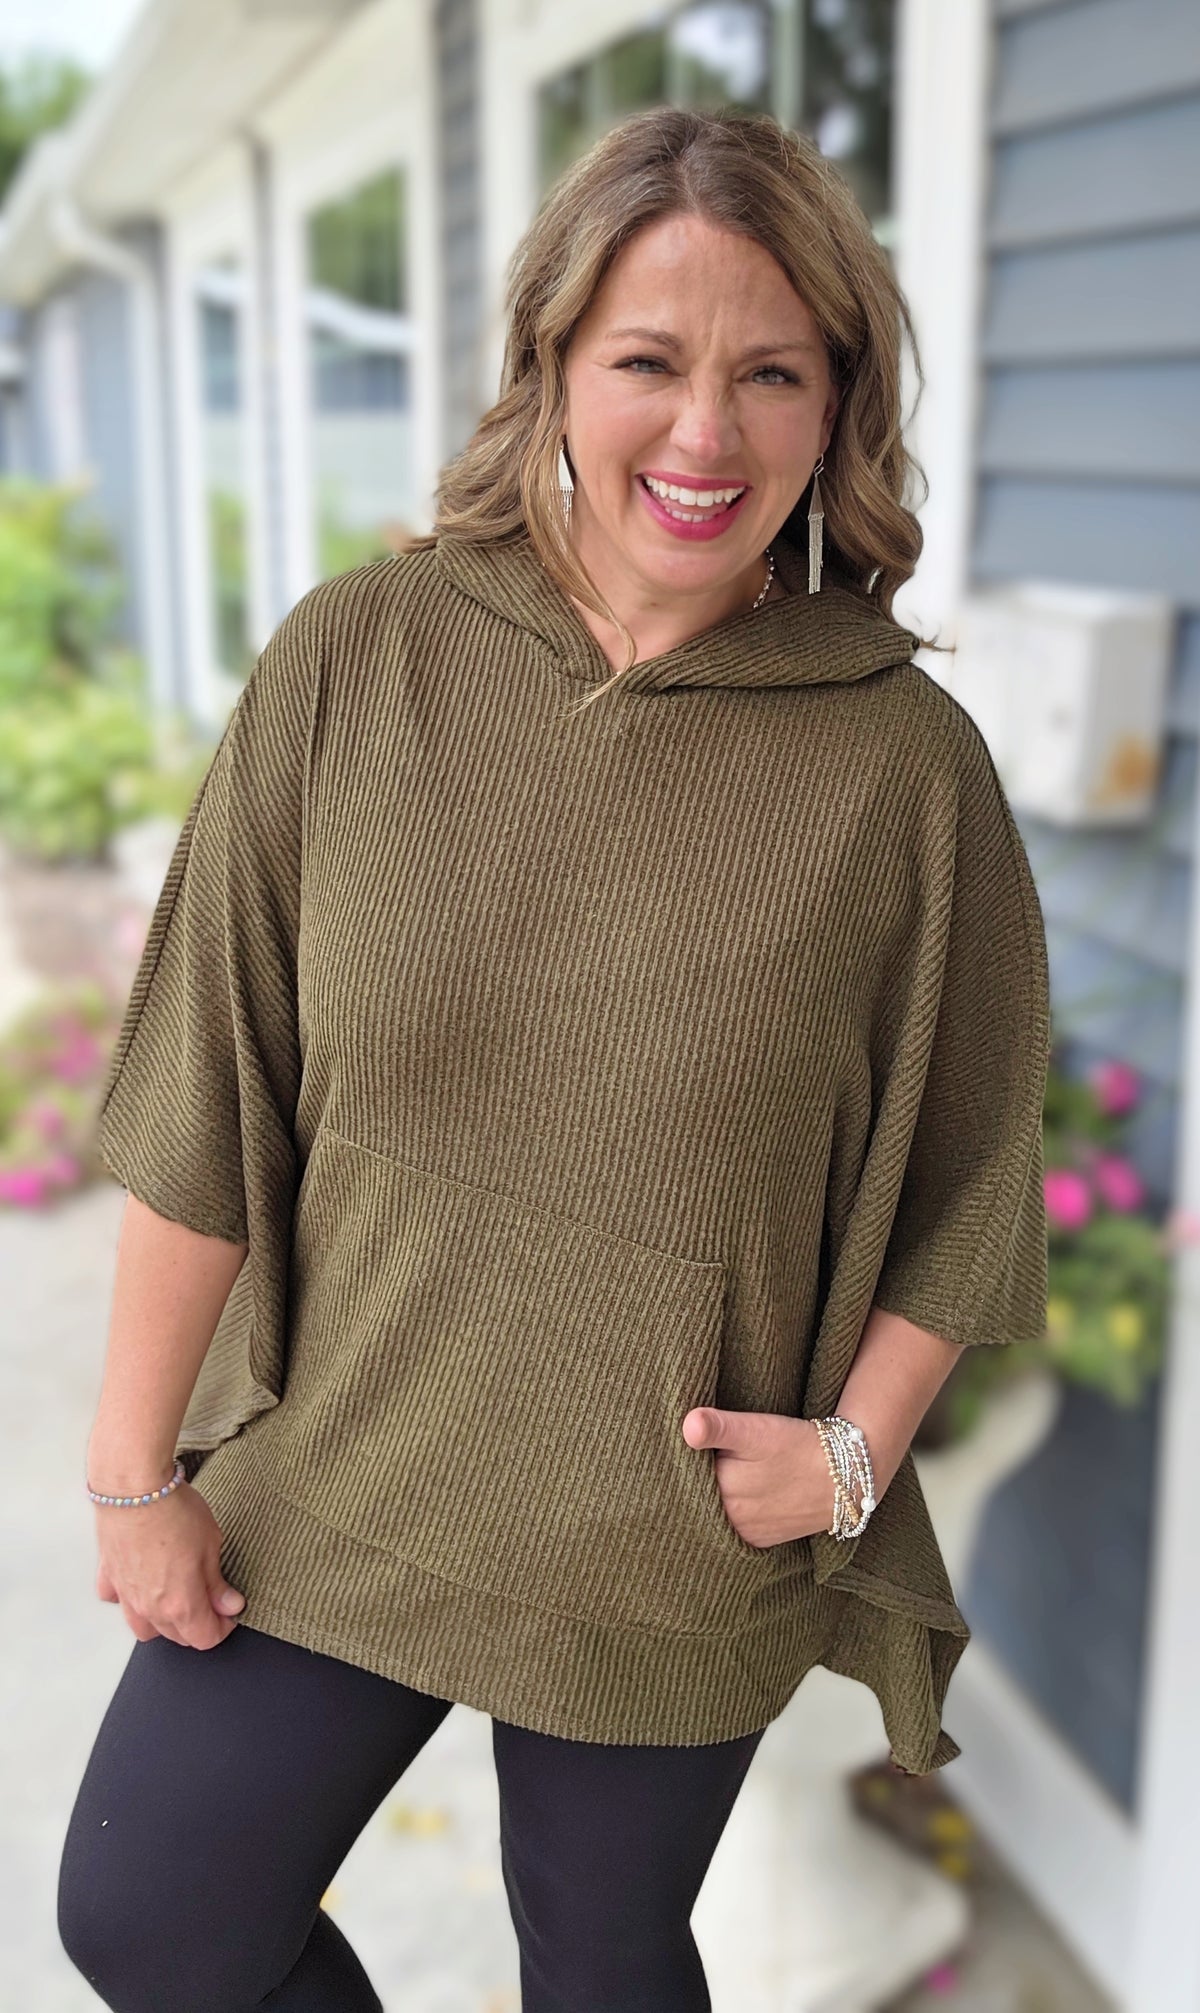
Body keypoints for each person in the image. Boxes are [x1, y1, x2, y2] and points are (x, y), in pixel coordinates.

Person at [58, 105, 1051, 2012]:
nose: (706, 434)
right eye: (649, 361)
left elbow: (972, 1160)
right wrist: (132, 1472)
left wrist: (852, 1456)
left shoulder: (904, 770)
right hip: (343, 1466)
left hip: (663, 1537)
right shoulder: (361, 657)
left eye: (773, 373)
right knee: (154, 1914)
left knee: (600, 1967)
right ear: (552, 366)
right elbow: (207, 1074)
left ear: (838, 406)